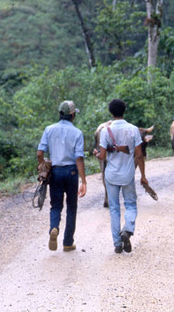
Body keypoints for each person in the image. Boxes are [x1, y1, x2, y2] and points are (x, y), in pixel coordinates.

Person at [93, 99, 148, 254]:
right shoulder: (133, 130)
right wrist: (143, 175)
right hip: (128, 175)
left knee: (114, 209)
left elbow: (102, 156)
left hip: (111, 176)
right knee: (130, 205)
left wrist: (97, 154)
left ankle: (117, 243)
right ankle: (127, 230)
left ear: (111, 112)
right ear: (124, 111)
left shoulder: (105, 131)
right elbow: (139, 155)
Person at [37, 100, 87, 252]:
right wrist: (83, 181)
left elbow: (40, 153)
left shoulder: (49, 129)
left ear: (60, 114)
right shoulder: (77, 133)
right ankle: (67, 242)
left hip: (56, 172)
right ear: (72, 115)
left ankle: (54, 228)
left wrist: (43, 166)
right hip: (71, 172)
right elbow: (79, 158)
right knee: (72, 207)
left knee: (56, 205)